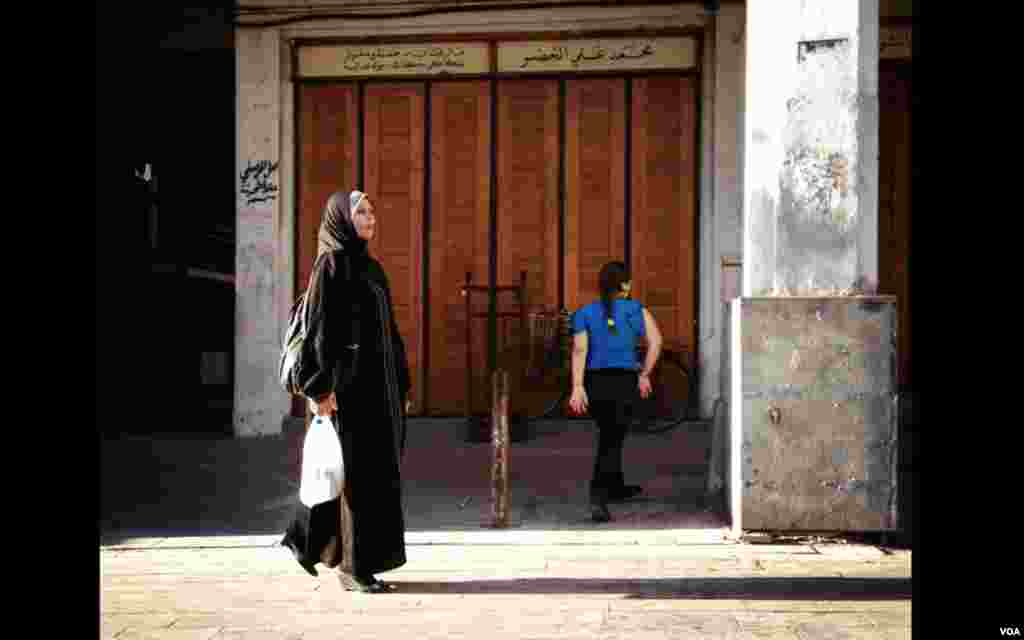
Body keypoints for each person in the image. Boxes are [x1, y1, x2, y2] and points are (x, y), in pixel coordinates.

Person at [281, 190, 412, 593]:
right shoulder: (331, 265)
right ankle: (353, 569)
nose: (370, 217)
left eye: (372, 210)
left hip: (378, 393)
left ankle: (356, 558)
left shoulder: (371, 268)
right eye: (361, 211)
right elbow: (320, 330)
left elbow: (388, 332)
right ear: (341, 218)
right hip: (345, 394)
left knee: (372, 479)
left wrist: (402, 382)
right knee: (354, 480)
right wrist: (320, 389)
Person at [568, 261, 663, 523]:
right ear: (624, 286)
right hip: (623, 382)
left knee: (612, 433)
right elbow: (656, 341)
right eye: (628, 282)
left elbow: (579, 350)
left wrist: (577, 387)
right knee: (611, 438)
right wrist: (644, 373)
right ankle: (597, 497)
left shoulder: (584, 313)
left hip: (594, 383)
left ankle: (616, 486)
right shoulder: (635, 309)